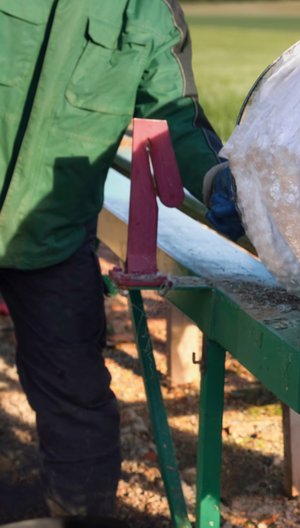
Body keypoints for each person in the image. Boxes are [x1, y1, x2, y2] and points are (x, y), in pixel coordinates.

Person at [0, 0, 243, 517]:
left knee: (77, 396)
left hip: (54, 237)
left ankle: (73, 509)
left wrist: (216, 178)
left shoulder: (152, 12)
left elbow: (177, 115)